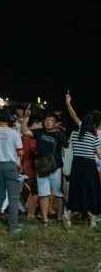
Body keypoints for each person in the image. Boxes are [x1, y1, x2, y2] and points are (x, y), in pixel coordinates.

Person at [21, 112, 68, 228]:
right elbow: (24, 131)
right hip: (42, 167)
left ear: (56, 123)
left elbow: (66, 146)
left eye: (51, 120)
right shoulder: (39, 132)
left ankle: (59, 218)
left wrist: (60, 131)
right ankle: (45, 219)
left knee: (58, 193)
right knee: (43, 194)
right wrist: (25, 117)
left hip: (56, 167)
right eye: (47, 120)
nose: (48, 122)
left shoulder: (59, 135)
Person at [0, 108, 24, 233]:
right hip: (10, 166)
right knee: (13, 197)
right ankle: (13, 226)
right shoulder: (14, 133)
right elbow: (20, 152)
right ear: (9, 119)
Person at [65, 94, 101, 225]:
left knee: (75, 189)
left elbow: (74, 116)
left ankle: (68, 216)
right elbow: (100, 154)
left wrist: (68, 103)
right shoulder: (93, 138)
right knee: (93, 190)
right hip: (89, 165)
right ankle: (93, 222)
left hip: (77, 164)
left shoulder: (75, 134)